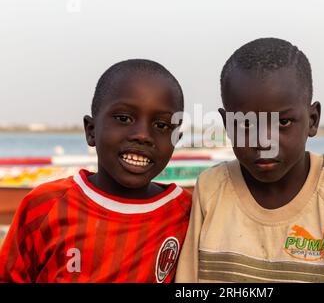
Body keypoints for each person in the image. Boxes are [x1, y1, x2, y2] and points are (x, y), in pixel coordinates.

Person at [176, 38, 324, 283]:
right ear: (228, 125)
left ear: (312, 120)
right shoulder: (212, 188)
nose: (264, 142)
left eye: (282, 123)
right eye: (246, 124)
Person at [0, 59, 191, 282]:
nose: (143, 135)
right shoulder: (44, 205)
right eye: (124, 118)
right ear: (91, 130)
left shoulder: (187, 213)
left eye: (161, 126)